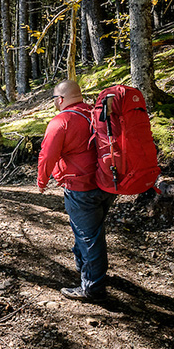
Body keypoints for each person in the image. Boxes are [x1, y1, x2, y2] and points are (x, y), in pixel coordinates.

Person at [37, 80, 117, 301]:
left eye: (54, 98)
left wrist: (42, 180)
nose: (54, 102)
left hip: (81, 189)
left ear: (60, 100)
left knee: (89, 236)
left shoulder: (60, 121)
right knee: (91, 232)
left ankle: (93, 288)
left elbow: (47, 156)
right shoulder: (96, 112)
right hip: (108, 183)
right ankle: (87, 269)